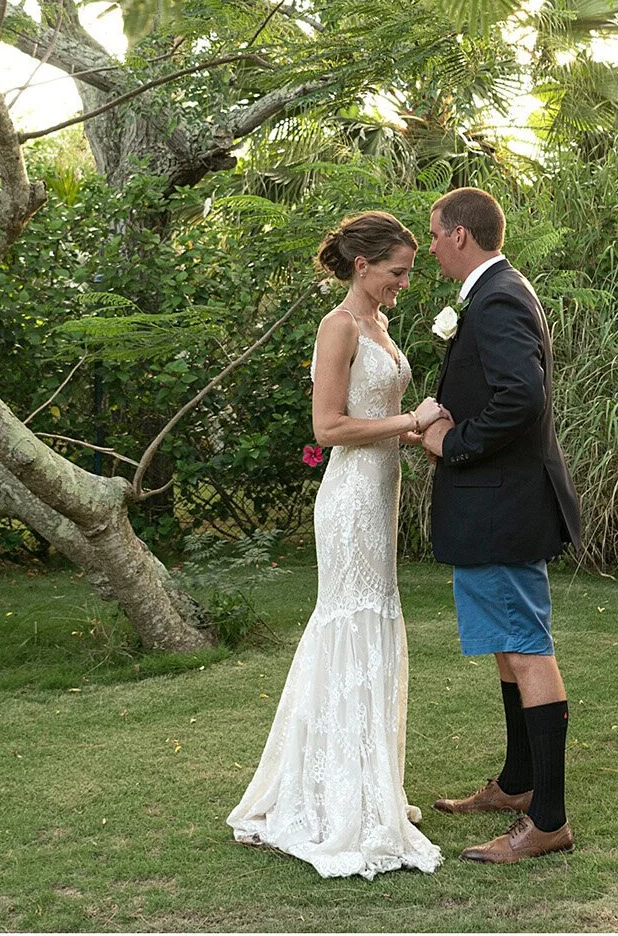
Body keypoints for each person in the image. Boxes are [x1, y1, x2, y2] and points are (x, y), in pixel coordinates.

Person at [226, 211, 444, 879]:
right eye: (397, 272)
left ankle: (366, 785)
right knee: (348, 623)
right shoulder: (340, 326)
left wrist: (420, 438)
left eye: (408, 272)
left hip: (382, 492)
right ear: (362, 267)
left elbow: (371, 420)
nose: (405, 283)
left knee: (374, 624)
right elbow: (326, 427)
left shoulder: (379, 325)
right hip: (349, 501)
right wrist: (413, 417)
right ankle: (329, 796)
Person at [417, 186, 584, 864]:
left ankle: (547, 821)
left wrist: (454, 444)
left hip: (503, 505)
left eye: (433, 234)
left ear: (460, 235)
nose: (429, 246)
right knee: (507, 646)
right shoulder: (493, 293)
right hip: (493, 504)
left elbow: (523, 394)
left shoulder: (500, 297)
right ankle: (518, 784)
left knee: (526, 647)